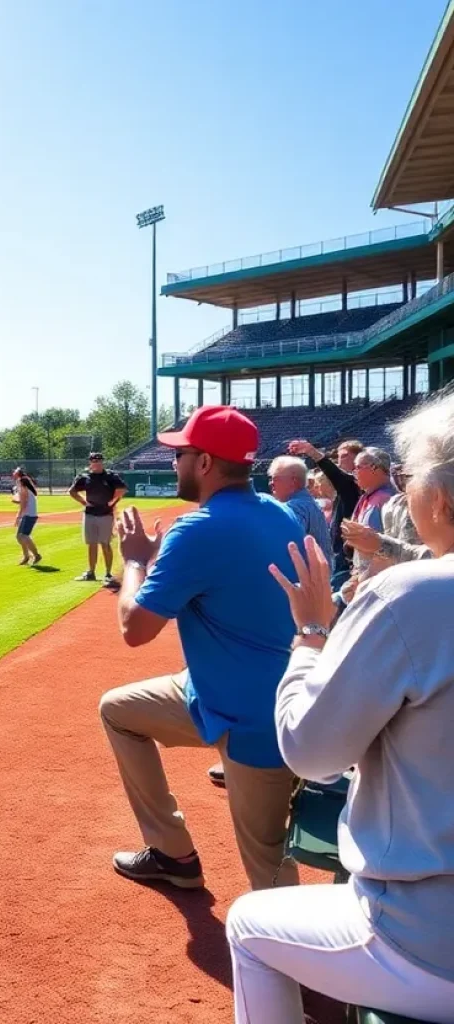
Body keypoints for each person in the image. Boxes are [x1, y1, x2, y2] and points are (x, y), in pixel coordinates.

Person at [227, 392, 454, 1024]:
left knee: (249, 926)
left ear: (439, 498)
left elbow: (311, 752)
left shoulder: (412, 591)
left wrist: (310, 633)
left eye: (408, 479)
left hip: (430, 941)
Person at [100, 406, 304, 891]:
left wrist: (134, 562)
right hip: (235, 691)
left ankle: (293, 965)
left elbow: (135, 629)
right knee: (118, 711)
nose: (174, 463)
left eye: (181, 454)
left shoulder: (199, 527)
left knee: (270, 869)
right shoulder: (280, 513)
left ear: (207, 463)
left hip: (255, 719)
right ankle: (172, 854)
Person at [207, 453, 333, 790]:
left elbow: (265, 545)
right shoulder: (304, 504)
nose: (270, 483)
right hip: (306, 598)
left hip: (299, 602)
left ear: (293, 481)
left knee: (268, 671)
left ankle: (267, 759)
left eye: (275, 478)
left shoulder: (295, 508)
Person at [288, 438, 364, 588]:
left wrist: (311, 451)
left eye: (344, 456)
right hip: (340, 555)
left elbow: (334, 473)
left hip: (347, 558)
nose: (339, 461)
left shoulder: (351, 485)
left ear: (358, 459)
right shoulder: (348, 487)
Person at [68, 452, 127, 590]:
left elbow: (122, 489)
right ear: (90, 462)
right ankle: (91, 572)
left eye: (99, 461)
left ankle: (108, 573)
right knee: (92, 544)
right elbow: (72, 491)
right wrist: (84, 502)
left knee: (105, 544)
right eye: (94, 461)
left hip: (105, 514)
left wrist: (113, 502)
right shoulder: (85, 476)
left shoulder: (110, 476)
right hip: (90, 514)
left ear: (102, 462)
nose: (96, 463)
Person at [12, 467, 42, 566]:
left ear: (19, 474)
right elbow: (24, 500)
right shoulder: (22, 482)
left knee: (23, 536)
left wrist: (18, 516)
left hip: (29, 514)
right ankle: (26, 556)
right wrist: (16, 500)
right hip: (28, 513)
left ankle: (36, 555)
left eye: (15, 471)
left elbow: (24, 503)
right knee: (19, 536)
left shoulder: (22, 482)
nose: (13, 472)